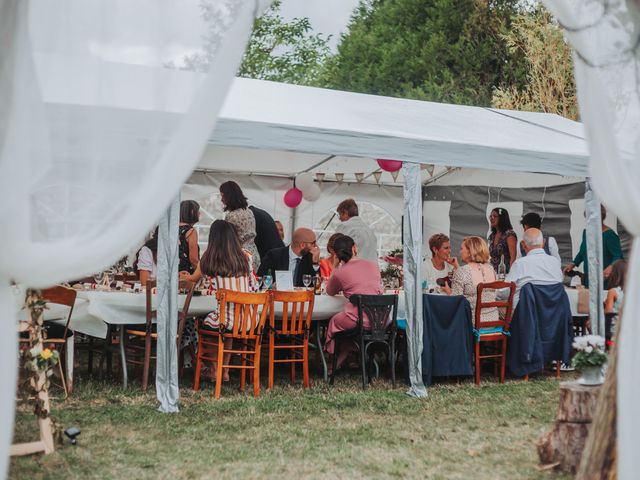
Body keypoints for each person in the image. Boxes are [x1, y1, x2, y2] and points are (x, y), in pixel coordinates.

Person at [179, 220, 257, 382]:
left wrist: (185, 278)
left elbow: (198, 283)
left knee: (203, 321)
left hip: (223, 319)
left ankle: (214, 369)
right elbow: (254, 286)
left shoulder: (209, 258)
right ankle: (225, 370)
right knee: (226, 328)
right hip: (247, 320)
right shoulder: (247, 257)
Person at [324, 235, 383, 369]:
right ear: (354, 247)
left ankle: (335, 360)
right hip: (380, 319)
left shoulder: (341, 272)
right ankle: (348, 352)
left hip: (357, 321)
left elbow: (329, 291)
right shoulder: (373, 266)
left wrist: (334, 267)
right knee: (345, 322)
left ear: (337, 255)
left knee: (334, 321)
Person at [500, 228, 564, 308]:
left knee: (496, 311)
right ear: (543, 243)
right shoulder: (555, 262)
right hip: (553, 316)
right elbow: (559, 282)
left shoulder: (519, 264)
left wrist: (494, 293)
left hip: (525, 316)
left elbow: (504, 292)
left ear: (523, 244)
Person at [563, 205, 623, 287]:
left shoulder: (609, 235)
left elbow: (618, 256)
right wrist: (573, 264)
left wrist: (610, 267)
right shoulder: (586, 232)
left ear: (600, 218)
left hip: (605, 282)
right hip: (589, 280)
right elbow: (582, 252)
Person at [442, 236, 498, 323]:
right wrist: (457, 267)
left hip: (472, 322)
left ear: (470, 252)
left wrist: (448, 290)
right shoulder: (491, 269)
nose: (459, 252)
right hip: (494, 320)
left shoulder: (463, 271)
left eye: (461, 249)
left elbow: (455, 301)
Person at [257, 227, 321, 286]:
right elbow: (259, 280)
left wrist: (315, 262)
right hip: (278, 296)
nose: (315, 246)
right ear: (302, 245)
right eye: (313, 243)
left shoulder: (310, 258)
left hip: (302, 297)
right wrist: (271, 286)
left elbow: (316, 286)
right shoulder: (274, 255)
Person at [220, 181, 260, 271]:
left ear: (228, 196)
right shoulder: (249, 211)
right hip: (254, 253)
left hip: (240, 256)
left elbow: (229, 240)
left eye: (222, 196)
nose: (221, 199)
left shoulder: (231, 216)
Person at [334, 199, 378, 263]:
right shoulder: (369, 230)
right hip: (373, 270)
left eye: (340, 215)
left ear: (345, 213)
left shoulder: (344, 226)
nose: (339, 218)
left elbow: (336, 249)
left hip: (355, 269)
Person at [488, 207, 517, 274]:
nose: (491, 218)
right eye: (490, 216)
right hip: (493, 273)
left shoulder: (509, 234)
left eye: (494, 216)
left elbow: (513, 257)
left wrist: (511, 274)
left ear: (502, 218)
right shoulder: (492, 235)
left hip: (505, 273)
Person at [179, 200, 200, 274]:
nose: (200, 214)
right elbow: (193, 260)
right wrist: (201, 274)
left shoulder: (172, 229)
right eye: (198, 211)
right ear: (192, 212)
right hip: (186, 275)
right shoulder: (191, 232)